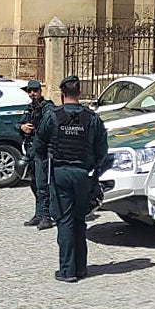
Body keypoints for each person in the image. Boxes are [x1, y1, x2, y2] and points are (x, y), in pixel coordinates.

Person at [33, 76, 109, 283]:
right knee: (79, 220)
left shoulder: (53, 116)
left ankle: (67, 270)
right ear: (80, 93)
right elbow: (103, 150)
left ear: (61, 94)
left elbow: (38, 145)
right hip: (83, 175)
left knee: (64, 221)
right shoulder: (91, 118)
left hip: (60, 174)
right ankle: (81, 267)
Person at [19, 80, 57, 230]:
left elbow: (51, 126)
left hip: (42, 150)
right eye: (30, 91)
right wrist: (22, 127)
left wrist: (37, 129)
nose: (32, 94)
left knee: (43, 185)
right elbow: (19, 124)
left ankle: (47, 217)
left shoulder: (48, 107)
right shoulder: (29, 108)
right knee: (34, 184)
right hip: (31, 150)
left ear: (40, 91)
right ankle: (38, 214)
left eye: (35, 91)